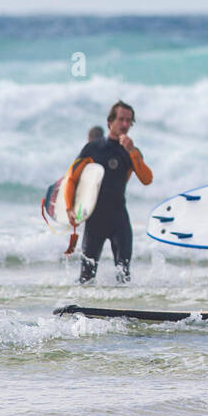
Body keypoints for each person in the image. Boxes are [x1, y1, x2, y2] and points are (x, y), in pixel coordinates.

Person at [70, 101, 152, 283]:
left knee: (124, 277)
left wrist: (131, 152)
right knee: (86, 278)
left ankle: (123, 310)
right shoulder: (93, 148)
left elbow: (147, 179)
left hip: (119, 221)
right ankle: (81, 308)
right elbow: (72, 179)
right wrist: (70, 208)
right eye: (121, 119)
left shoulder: (131, 152)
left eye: (129, 121)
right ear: (110, 122)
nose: (124, 125)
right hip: (95, 222)